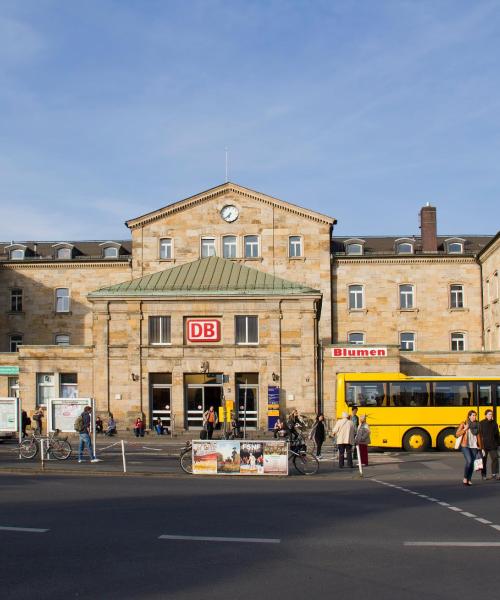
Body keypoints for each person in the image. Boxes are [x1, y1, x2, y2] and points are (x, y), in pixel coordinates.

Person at [455, 410, 482, 486]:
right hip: (465, 445)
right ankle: (465, 478)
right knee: (469, 461)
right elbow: (457, 434)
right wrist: (465, 429)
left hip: (474, 446)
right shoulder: (464, 424)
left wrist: (481, 447)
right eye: (473, 415)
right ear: (469, 416)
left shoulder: (477, 424)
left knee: (472, 463)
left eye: (475, 415)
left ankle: (469, 479)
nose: (474, 417)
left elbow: (479, 437)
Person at [479, 409, 499, 480]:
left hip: (493, 445)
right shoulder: (481, 423)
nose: (491, 415)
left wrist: (497, 444)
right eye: (489, 414)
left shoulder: (494, 423)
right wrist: (479, 445)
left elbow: (497, 434)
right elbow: (479, 435)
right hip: (484, 445)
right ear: (486, 415)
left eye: (491, 414)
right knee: (484, 460)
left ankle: (495, 474)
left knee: (495, 458)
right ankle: (483, 475)